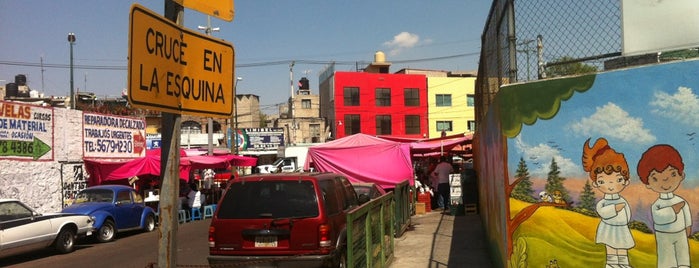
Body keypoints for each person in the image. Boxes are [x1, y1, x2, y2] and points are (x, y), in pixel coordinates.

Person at [581, 138, 635, 268]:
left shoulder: (623, 201)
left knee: (622, 248)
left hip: (621, 229)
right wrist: (614, 209)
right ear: (596, 183)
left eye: (617, 179)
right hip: (608, 229)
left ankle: (623, 265)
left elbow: (626, 216)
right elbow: (601, 211)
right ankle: (611, 264)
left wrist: (619, 212)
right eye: (602, 181)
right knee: (610, 247)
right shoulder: (603, 202)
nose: (610, 185)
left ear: (626, 181)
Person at [637, 144, 692, 268]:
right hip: (664, 235)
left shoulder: (681, 200)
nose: (665, 182)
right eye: (656, 178)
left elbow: (686, 214)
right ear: (648, 184)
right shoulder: (657, 205)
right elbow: (659, 217)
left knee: (683, 257)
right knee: (666, 260)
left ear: (681, 175)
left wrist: (688, 227)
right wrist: (673, 210)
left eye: (672, 174)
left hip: (681, 233)